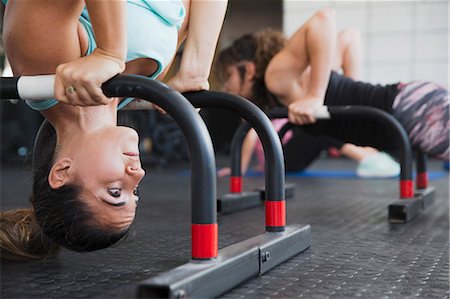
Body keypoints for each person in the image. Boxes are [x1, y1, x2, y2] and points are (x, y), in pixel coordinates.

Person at [0, 0, 228, 260]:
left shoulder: (42, 64)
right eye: (136, 193)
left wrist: (110, 52)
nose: (138, 173)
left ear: (63, 171)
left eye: (116, 192)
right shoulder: (147, 77)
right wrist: (196, 67)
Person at [215, 8, 449, 175]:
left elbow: (323, 19)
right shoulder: (299, 77)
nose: (227, 88)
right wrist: (351, 100)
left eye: (228, 79)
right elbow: (350, 37)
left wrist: (315, 97)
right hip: (408, 107)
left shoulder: (276, 76)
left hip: (409, 108)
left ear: (248, 70)